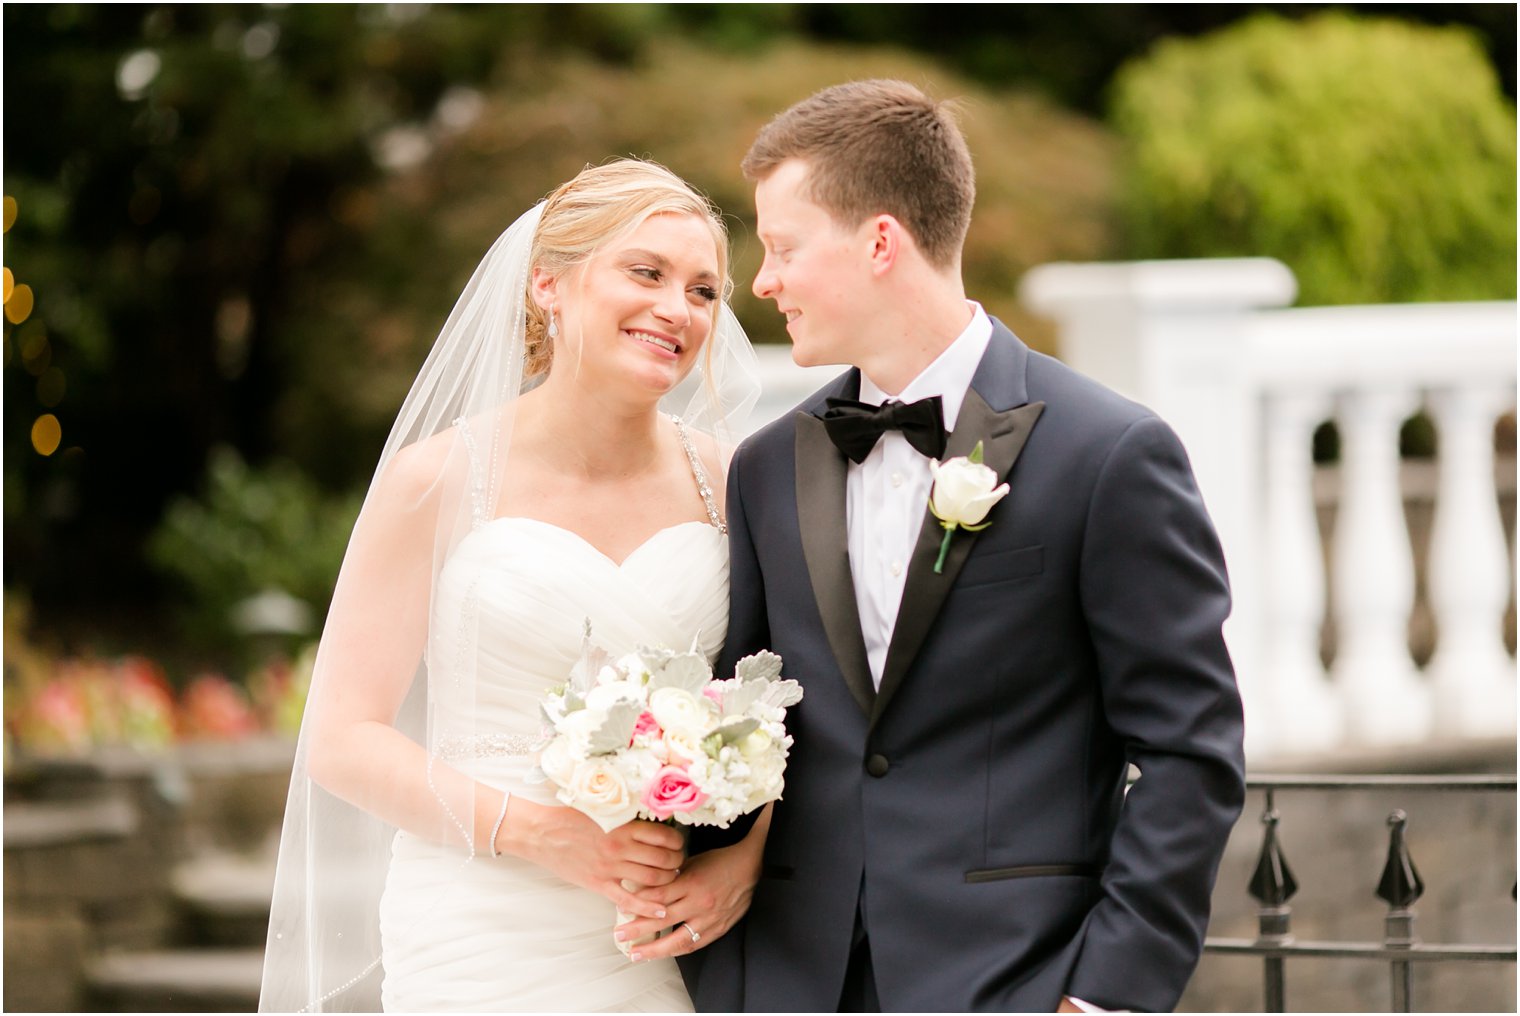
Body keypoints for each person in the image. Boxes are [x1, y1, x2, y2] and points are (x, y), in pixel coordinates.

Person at [637, 79, 1248, 1012]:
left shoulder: (1106, 452)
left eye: (784, 247)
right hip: (795, 985)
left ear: (880, 241)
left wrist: (1105, 996)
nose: (761, 282)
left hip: (1017, 978)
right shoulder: (766, 468)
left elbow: (1188, 749)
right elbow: (751, 725)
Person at [257, 158, 767, 1012]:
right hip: (479, 925)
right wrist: (545, 835)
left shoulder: (733, 484)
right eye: (645, 272)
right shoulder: (439, 479)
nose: (677, 309)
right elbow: (341, 737)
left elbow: (798, 706)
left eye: (704, 290)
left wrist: (741, 867)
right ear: (548, 284)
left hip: (665, 931)